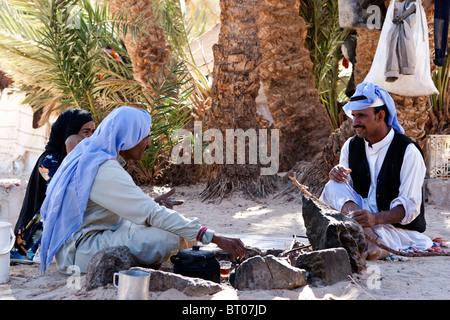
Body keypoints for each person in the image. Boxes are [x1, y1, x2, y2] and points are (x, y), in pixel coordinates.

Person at [39, 106, 246, 274]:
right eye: (143, 136)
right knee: (167, 238)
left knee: (170, 225)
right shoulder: (102, 168)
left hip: (105, 231)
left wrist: (152, 206)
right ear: (127, 137)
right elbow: (150, 214)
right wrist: (215, 237)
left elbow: (128, 209)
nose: (148, 143)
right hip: (80, 251)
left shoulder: (97, 157)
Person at [320, 82, 432, 260]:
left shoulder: (408, 151)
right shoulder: (351, 145)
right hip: (360, 221)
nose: (355, 123)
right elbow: (343, 191)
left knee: (383, 236)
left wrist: (374, 219)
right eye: (354, 116)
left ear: (381, 115)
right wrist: (337, 174)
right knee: (333, 185)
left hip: (395, 228)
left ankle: (370, 239)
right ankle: (369, 238)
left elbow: (408, 207)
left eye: (362, 116)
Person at [12, 108, 95, 261]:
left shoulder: (83, 157)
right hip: (33, 234)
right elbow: (64, 192)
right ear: (69, 132)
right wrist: (71, 152)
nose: (91, 137)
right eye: (86, 131)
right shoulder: (48, 161)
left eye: (93, 131)